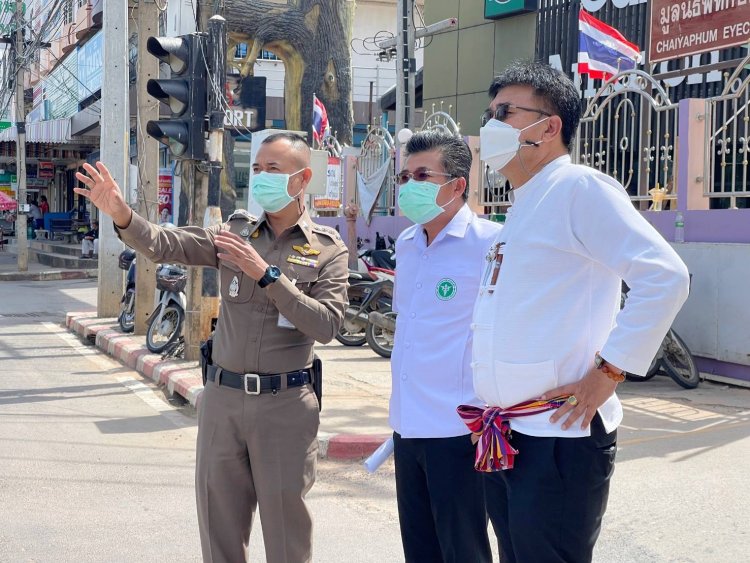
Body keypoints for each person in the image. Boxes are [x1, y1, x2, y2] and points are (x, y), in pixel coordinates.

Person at [75, 132, 349, 563]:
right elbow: (169, 243)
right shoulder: (235, 233)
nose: (260, 178)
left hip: (285, 408)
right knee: (218, 528)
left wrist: (267, 275)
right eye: (256, 169)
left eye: (273, 170)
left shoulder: (327, 250)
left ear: (303, 179)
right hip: (223, 400)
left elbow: (328, 323)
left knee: (286, 535)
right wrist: (123, 215)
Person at [469, 61, 690, 563]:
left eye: (505, 112)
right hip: (509, 433)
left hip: (560, 442)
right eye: (489, 113)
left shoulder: (579, 189)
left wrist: (610, 372)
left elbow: (665, 276)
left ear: (548, 127)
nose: (490, 125)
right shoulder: (523, 204)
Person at [390, 131, 501, 563]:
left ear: (457, 185)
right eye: (404, 176)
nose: (409, 186)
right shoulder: (407, 244)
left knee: (464, 550)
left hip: (459, 430)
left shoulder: (491, 244)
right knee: (419, 550)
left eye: (422, 175)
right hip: (407, 425)